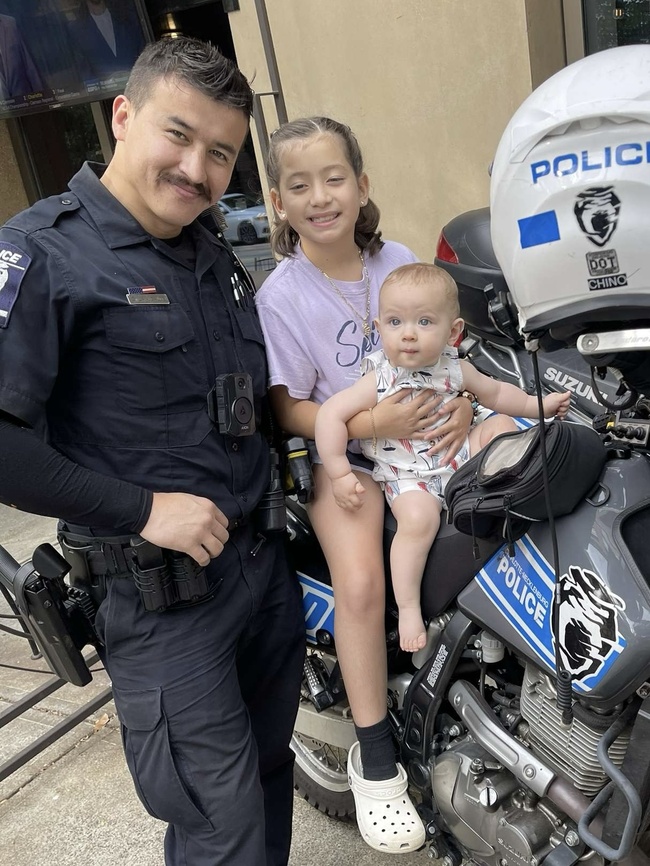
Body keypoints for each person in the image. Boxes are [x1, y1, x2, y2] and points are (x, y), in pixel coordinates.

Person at [0, 37, 304, 866]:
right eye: (179, 135)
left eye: (221, 153)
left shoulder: (211, 252)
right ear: (123, 116)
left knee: (268, 781)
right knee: (220, 826)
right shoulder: (44, 252)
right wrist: (142, 508)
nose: (197, 169)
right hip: (162, 604)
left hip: (259, 570)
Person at [255, 116, 475, 854]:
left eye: (334, 178)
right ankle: (376, 760)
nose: (320, 196)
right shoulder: (283, 296)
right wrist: (372, 422)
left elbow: (448, 351)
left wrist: (464, 404)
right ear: (278, 202)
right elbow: (288, 405)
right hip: (343, 457)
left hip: (424, 441)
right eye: (299, 185)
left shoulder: (399, 261)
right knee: (358, 583)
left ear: (362, 185)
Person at [315, 262, 571, 652]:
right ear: (379, 328)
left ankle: (504, 490)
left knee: (502, 425)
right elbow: (330, 415)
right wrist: (338, 472)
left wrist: (541, 405)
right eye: (395, 322)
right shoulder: (380, 378)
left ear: (453, 332)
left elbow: (498, 394)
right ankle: (409, 607)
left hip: (458, 456)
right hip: (409, 476)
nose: (409, 334)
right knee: (418, 521)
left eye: (424, 322)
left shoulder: (455, 368)